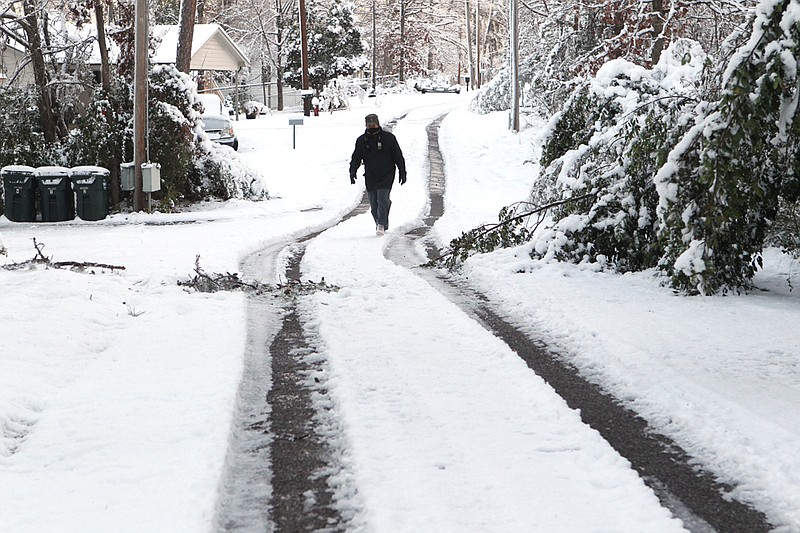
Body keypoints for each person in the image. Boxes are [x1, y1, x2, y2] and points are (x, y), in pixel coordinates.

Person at [349, 113, 407, 235]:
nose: (372, 127)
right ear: (366, 125)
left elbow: (398, 156)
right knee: (374, 204)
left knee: (382, 199)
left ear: (378, 123)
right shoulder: (361, 141)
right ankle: (380, 222)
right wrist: (352, 171)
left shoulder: (389, 138)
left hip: (387, 173)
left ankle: (381, 224)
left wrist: (402, 171)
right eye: (369, 125)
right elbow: (356, 157)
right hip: (370, 175)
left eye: (374, 124)